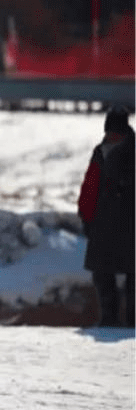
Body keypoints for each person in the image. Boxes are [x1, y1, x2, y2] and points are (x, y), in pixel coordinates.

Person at [78, 106, 135, 327]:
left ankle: (132, 323)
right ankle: (109, 320)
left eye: (114, 131)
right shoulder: (101, 151)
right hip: (103, 223)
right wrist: (86, 214)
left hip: (130, 224)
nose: (110, 136)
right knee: (102, 275)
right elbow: (90, 185)